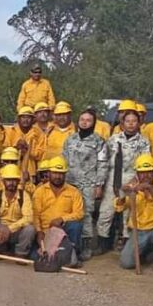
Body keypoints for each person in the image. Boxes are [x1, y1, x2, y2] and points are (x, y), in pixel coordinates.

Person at [96, 107, 152, 250]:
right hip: (112, 179)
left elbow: (146, 164)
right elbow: (103, 160)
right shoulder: (112, 140)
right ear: (122, 123)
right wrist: (100, 183)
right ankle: (103, 243)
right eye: (128, 121)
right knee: (106, 212)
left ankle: (126, 243)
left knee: (128, 213)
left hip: (132, 179)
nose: (131, 124)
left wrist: (137, 183)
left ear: (139, 123)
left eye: (134, 121)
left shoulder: (143, 142)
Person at [63, 110, 108, 259]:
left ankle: (86, 246)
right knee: (69, 212)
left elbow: (102, 164)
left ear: (94, 123)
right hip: (70, 183)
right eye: (82, 119)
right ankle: (70, 244)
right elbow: (64, 160)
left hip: (89, 184)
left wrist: (99, 185)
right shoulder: (70, 140)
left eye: (88, 120)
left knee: (87, 214)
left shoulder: (99, 142)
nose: (84, 122)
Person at [32, 157, 86, 264]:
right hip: (45, 232)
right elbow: (35, 214)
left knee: (76, 225)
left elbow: (79, 213)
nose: (58, 176)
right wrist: (39, 231)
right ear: (49, 173)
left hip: (63, 231)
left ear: (65, 174)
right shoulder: (40, 191)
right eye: (55, 173)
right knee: (35, 257)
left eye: (61, 173)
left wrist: (62, 219)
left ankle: (73, 252)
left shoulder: (74, 191)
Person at [113, 154, 153, 270]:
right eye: (142, 172)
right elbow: (119, 207)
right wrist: (124, 194)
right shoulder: (132, 189)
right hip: (138, 231)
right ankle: (146, 253)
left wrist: (148, 188)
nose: (146, 176)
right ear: (137, 174)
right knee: (126, 263)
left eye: (149, 172)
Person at [0, 164, 35, 256]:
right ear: (3, 181)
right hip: (1, 228)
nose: (11, 183)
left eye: (14, 180)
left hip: (17, 229)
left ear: (18, 181)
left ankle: (20, 253)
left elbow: (28, 218)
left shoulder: (24, 195)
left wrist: (10, 229)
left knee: (30, 229)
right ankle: (2, 248)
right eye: (8, 180)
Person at [3, 105, 42, 181]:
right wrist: (16, 148)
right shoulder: (10, 131)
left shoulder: (38, 133)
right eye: (23, 117)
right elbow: (4, 150)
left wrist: (28, 150)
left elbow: (40, 154)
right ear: (18, 119)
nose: (26, 120)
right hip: (11, 170)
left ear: (32, 120)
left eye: (28, 117)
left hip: (30, 172)